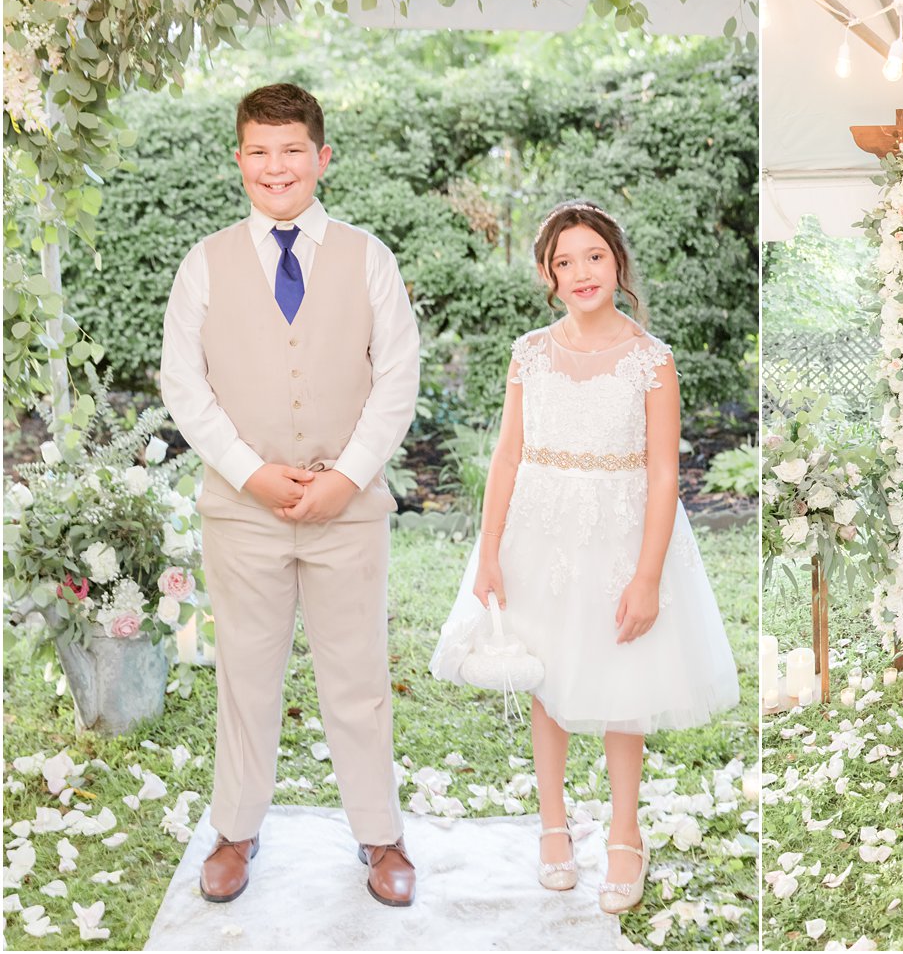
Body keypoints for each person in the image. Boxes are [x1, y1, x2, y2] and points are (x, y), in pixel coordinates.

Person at [430, 201, 739, 915]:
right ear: (548, 275)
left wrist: (647, 574)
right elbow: (507, 455)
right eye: (562, 262)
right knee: (547, 675)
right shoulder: (529, 351)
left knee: (619, 672)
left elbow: (664, 473)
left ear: (617, 262)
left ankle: (626, 833)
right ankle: (553, 825)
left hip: (619, 533)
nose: (579, 272)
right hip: (538, 532)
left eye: (592, 256)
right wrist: (488, 553)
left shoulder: (651, 360)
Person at [160, 84, 420, 906]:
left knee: (357, 673)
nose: (276, 166)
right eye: (260, 152)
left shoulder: (369, 256)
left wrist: (346, 476)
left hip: (348, 512)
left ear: (321, 158)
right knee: (246, 672)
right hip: (244, 511)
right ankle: (236, 829)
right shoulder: (204, 263)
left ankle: (380, 836)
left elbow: (397, 377)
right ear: (239, 159)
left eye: (292, 150)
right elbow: (183, 384)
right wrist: (251, 471)